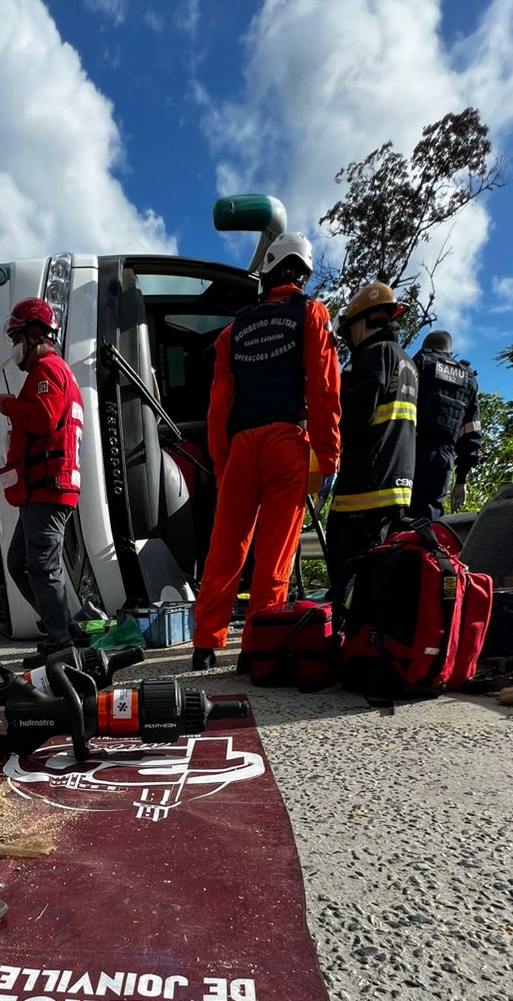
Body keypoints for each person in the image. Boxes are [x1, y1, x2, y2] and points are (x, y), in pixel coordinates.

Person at [191, 231, 341, 672]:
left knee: (225, 549)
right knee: (275, 552)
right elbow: (325, 388)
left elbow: (218, 404)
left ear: (269, 271)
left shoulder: (232, 331)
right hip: (287, 442)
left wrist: (222, 462)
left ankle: (205, 644)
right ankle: (258, 646)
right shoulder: (311, 314)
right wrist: (329, 456)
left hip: (241, 446)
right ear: (303, 274)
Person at [0, 298, 83, 652]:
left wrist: (8, 404)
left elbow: (42, 419)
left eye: (17, 339)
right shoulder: (54, 371)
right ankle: (60, 626)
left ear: (34, 335)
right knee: (20, 561)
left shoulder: (47, 370)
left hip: (49, 487)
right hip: (43, 489)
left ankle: (61, 643)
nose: (15, 348)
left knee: (43, 567)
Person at [326, 282, 419, 593]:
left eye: (350, 329)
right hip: (397, 487)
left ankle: (348, 635)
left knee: (348, 572)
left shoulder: (372, 355)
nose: (350, 339)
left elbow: (352, 418)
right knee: (379, 576)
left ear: (364, 321)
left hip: (364, 489)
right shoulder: (407, 362)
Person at [409, 330, 481, 520]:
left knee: (401, 515)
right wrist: (461, 481)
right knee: (430, 516)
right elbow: (471, 432)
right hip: (444, 459)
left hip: (412, 451)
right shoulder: (469, 379)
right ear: (449, 351)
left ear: (426, 347)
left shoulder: (419, 364)